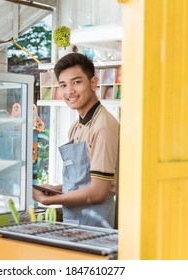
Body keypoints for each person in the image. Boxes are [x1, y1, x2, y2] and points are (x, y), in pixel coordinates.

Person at [33, 53, 119, 228]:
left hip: (97, 223)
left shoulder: (103, 126)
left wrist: (51, 200)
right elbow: (83, 181)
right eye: (63, 85)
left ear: (93, 83)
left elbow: (97, 192)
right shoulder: (75, 127)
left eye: (76, 82)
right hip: (74, 220)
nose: (69, 91)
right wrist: (53, 189)